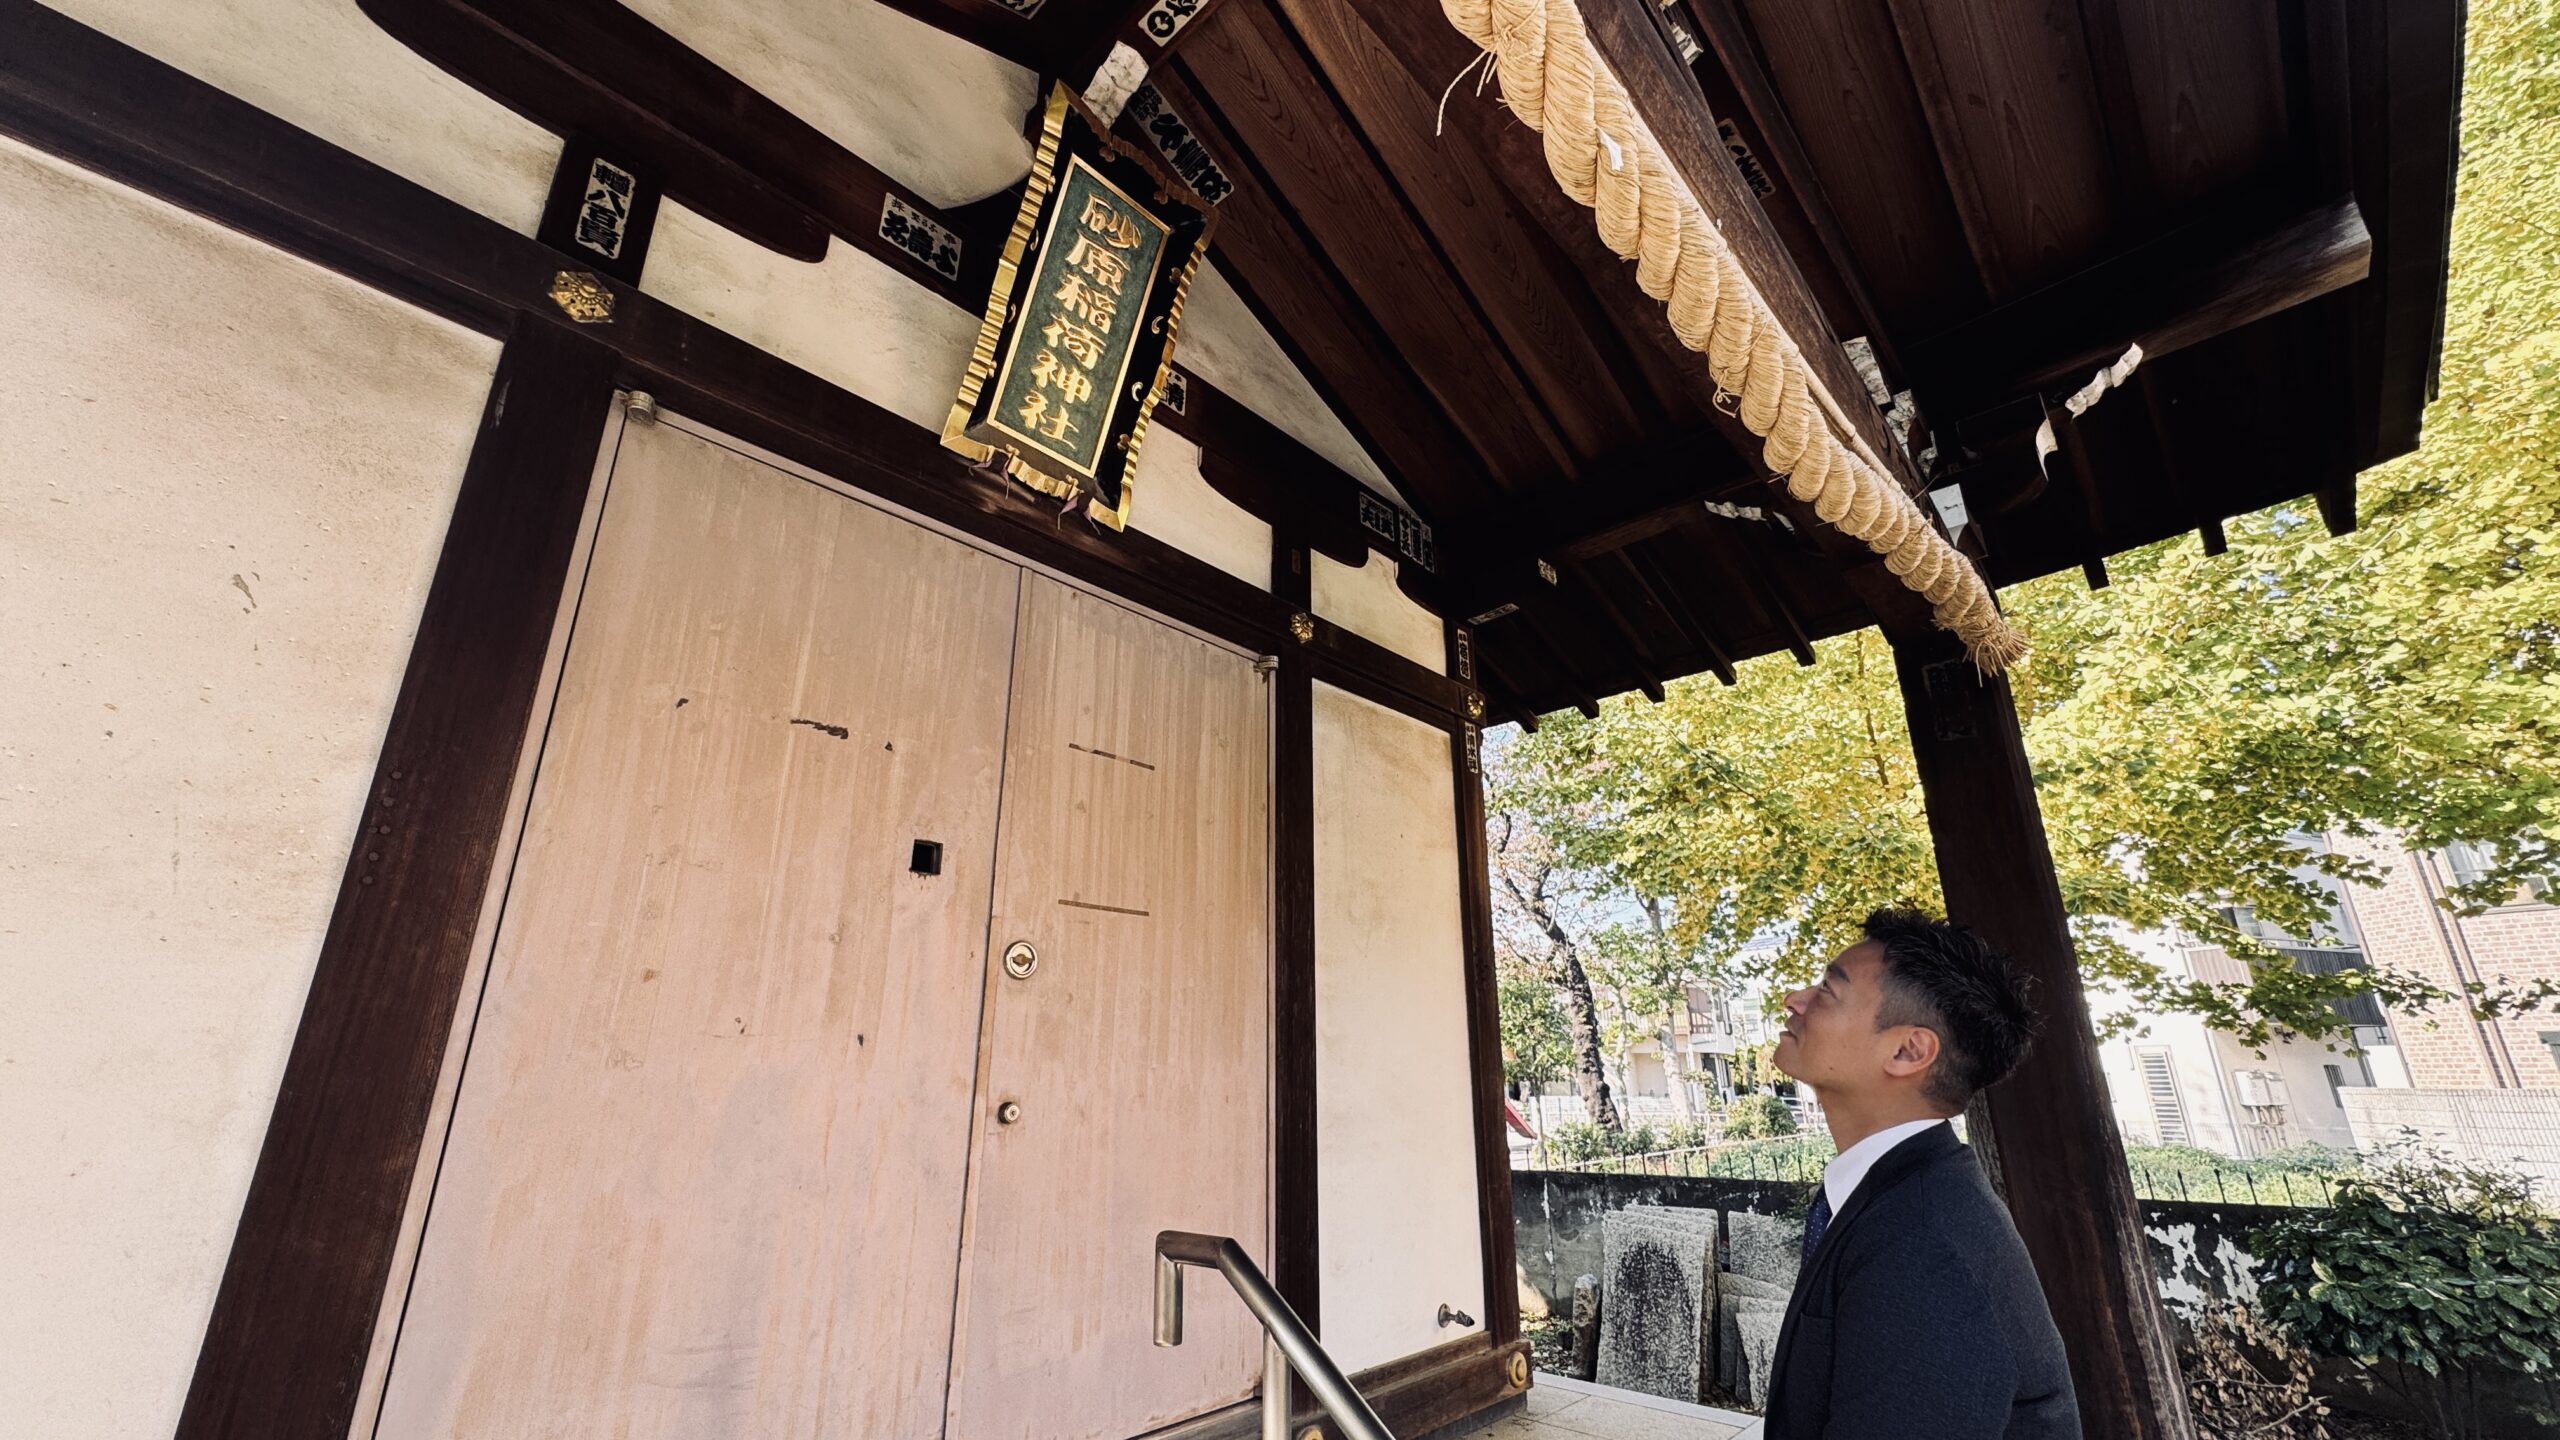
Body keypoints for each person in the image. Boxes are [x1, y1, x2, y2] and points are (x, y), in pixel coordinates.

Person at [1761, 908, 2080, 1440]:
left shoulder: (1923, 1244)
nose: (1795, 1000)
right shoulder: (1901, 1199)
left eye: (1828, 990)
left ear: (1908, 1051)